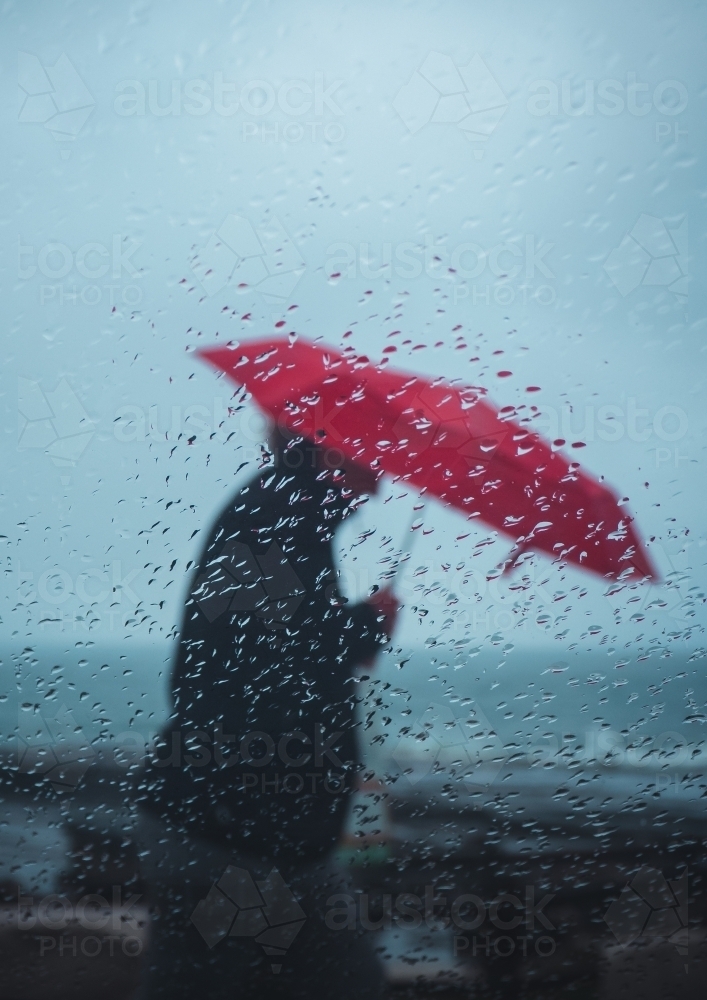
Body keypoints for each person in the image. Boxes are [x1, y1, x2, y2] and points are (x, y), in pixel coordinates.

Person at [134, 432, 398, 998]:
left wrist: (357, 631)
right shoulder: (279, 513)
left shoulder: (287, 513)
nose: (382, 475)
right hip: (229, 838)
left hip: (271, 838)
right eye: (373, 453)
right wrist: (366, 625)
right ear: (331, 448)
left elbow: (273, 646)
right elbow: (273, 664)